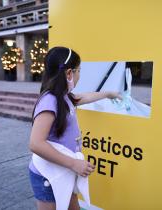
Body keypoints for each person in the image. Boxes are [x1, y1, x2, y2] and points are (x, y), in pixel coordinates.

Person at [28, 46, 121, 210]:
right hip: (49, 175)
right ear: (69, 73)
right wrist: (73, 164)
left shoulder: (64, 97)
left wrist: (108, 94)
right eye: (79, 70)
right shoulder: (50, 101)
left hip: (62, 170)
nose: (80, 75)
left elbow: (84, 96)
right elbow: (36, 144)